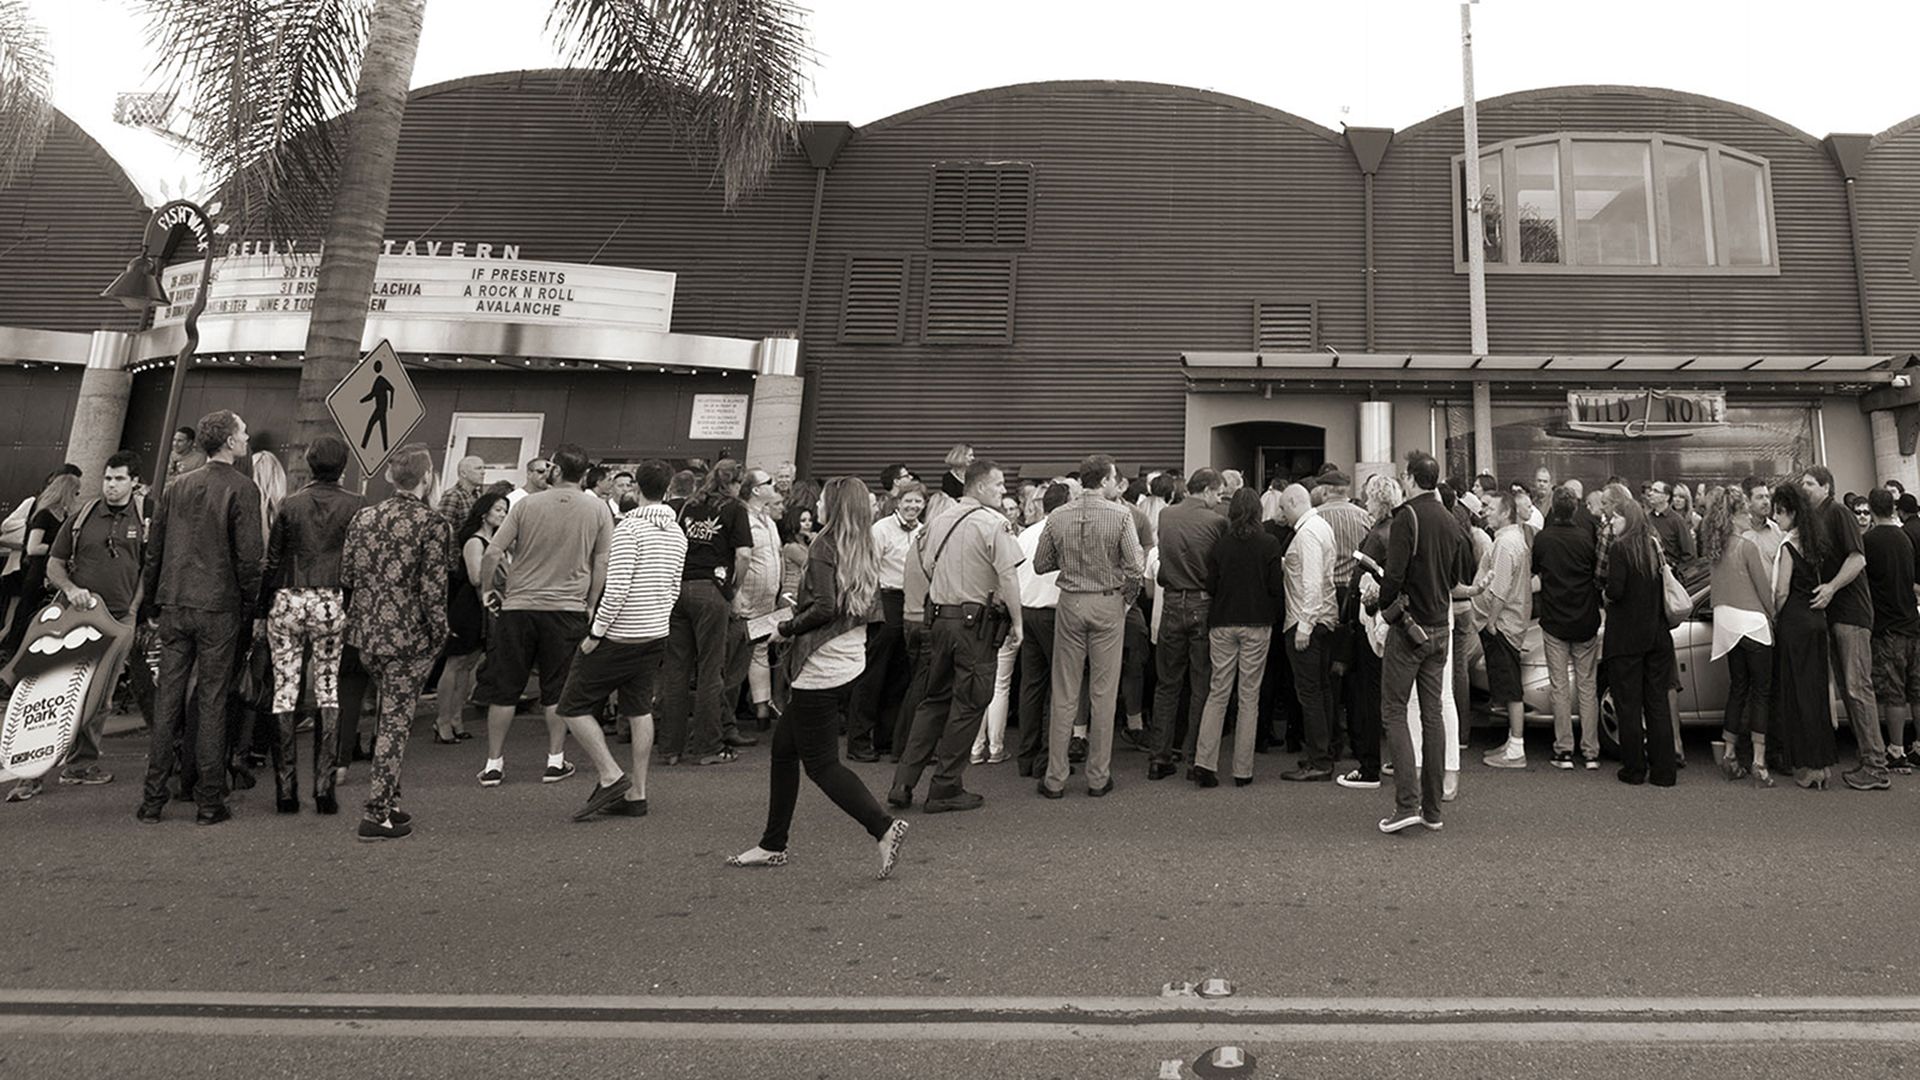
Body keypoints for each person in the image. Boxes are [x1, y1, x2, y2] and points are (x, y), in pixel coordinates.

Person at [728, 477, 911, 878]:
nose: (820, 503)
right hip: (847, 656)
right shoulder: (861, 541)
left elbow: (825, 607)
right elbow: (848, 604)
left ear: (837, 505)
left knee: (823, 765)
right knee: (783, 751)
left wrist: (787, 627)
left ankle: (883, 827)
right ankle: (772, 843)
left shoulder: (826, 543)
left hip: (821, 662)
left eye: (826, 498)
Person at [137, 409, 264, 826]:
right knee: (211, 701)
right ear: (229, 441)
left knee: (169, 700)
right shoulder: (243, 489)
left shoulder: (177, 487)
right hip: (219, 606)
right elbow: (249, 558)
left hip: (174, 602)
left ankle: (153, 798)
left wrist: (152, 604)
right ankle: (209, 800)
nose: (246, 438)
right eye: (242, 432)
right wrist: (250, 604)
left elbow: (154, 549)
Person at [3, 453, 152, 803]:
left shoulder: (144, 520)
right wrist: (71, 589)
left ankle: (81, 765)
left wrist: (132, 610)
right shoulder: (82, 516)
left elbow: (147, 570)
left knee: (101, 696)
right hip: (74, 618)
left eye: (119, 479)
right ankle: (32, 773)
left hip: (118, 620)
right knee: (51, 692)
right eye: (108, 478)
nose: (111, 485)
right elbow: (53, 565)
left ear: (135, 482)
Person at [554, 459, 685, 823]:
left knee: (573, 705)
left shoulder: (629, 529)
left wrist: (596, 633)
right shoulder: (677, 533)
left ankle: (610, 775)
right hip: (655, 631)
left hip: (620, 632)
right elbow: (674, 586)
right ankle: (637, 793)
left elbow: (617, 588)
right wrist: (658, 618)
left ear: (635, 488)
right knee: (639, 708)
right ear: (669, 489)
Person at [890, 459, 1024, 813]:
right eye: (998, 485)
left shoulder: (937, 521)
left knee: (933, 700)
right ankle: (946, 786)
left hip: (939, 620)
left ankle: (903, 783)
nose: (1003, 491)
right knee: (969, 703)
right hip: (974, 625)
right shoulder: (994, 523)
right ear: (979, 487)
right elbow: (1008, 576)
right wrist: (1017, 621)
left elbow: (925, 563)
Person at [475, 445, 612, 786]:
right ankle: (555, 759)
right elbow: (602, 561)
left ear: (556, 471)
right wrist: (592, 602)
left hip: (519, 605)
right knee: (557, 689)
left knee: (505, 687)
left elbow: (493, 552)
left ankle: (493, 764)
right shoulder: (598, 509)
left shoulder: (526, 505)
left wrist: (487, 590)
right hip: (567, 608)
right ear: (584, 473)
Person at [340, 444, 451, 841]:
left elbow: (349, 574)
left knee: (389, 717)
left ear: (390, 476)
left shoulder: (364, 517)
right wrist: (439, 633)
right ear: (427, 478)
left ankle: (392, 801)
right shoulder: (433, 524)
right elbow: (433, 589)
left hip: (367, 635)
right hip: (407, 638)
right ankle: (376, 811)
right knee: (394, 724)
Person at [258, 436, 362, 814]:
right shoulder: (356, 506)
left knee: (285, 690)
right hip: (332, 600)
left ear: (309, 464)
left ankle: (286, 790)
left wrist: (260, 607)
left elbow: (272, 561)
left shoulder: (290, 504)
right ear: (342, 467)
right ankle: (324, 789)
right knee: (328, 688)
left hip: (289, 596)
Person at [1035, 455, 1141, 800]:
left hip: (1071, 600)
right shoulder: (1120, 514)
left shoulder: (1058, 515)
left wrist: (1069, 564)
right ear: (1107, 480)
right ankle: (1098, 775)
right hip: (1107, 600)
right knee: (1103, 691)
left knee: (1065, 690)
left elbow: (1040, 564)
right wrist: (1126, 599)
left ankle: (1055, 777)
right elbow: (1136, 566)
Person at [1378, 450, 1469, 835]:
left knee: (1394, 711)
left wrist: (1381, 602)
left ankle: (1406, 804)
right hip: (1440, 626)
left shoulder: (1407, 517)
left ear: (1412, 479)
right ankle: (1432, 809)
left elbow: (1394, 577)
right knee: (1432, 714)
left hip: (1409, 627)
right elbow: (1456, 577)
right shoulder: (1450, 519)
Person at [656, 460, 756, 766]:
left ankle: (670, 748)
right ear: (735, 483)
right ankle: (707, 747)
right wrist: (734, 589)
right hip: (712, 590)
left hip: (679, 588)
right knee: (711, 670)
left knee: (675, 670)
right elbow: (743, 554)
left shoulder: (687, 505)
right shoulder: (735, 508)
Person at [1800, 466, 1890, 790]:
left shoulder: (1838, 513)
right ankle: (1868, 760)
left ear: (1826, 486)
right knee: (1849, 692)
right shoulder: (1816, 519)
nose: (1804, 488)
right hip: (1836, 615)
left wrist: (1831, 588)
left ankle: (1877, 767)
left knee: (1857, 689)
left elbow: (1857, 559)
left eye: (1809, 484)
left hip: (1852, 615)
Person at [1190, 488, 1283, 787]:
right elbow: (1275, 588)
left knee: (1218, 691)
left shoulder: (1221, 545)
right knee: (1248, 696)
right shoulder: (1269, 543)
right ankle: (1242, 770)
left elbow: (1211, 585)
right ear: (1258, 512)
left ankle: (1205, 763)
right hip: (1256, 622)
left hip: (1222, 622)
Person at [1148, 469, 1225, 780]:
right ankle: (1195, 757)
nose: (1219, 500)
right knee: (1201, 683)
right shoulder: (1216, 522)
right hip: (1202, 601)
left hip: (1172, 601)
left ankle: (1159, 756)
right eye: (1218, 494)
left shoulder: (1166, 515)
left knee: (1167, 683)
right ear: (1206, 490)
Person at [1601, 501, 1678, 787]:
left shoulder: (1620, 549)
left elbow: (1615, 591)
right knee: (1657, 703)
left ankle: (1634, 769)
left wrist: (1606, 595)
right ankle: (1664, 771)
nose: (1612, 523)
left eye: (1616, 518)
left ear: (1628, 520)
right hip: (1657, 636)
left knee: (1629, 705)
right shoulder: (1654, 546)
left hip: (1626, 639)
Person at [1768, 482, 1838, 788]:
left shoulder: (1787, 546)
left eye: (1780, 513)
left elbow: (1781, 591)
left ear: (1791, 512)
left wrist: (1774, 614)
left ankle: (1808, 767)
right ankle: (1823, 766)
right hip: (1816, 619)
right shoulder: (1814, 542)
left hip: (1794, 621)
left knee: (1797, 694)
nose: (1777, 518)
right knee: (1817, 693)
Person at [848, 483, 925, 761]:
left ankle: (887, 737)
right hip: (884, 598)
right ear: (897, 502)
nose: (913, 506)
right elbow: (867, 567)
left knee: (899, 674)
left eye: (918, 502)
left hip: (911, 601)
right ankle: (858, 741)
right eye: (908, 501)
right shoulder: (880, 529)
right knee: (873, 672)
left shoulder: (922, 531)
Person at [1532, 486, 1602, 771]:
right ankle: (1591, 750)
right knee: (1587, 687)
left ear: (1553, 509)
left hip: (1554, 619)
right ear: (1575, 509)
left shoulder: (1543, 539)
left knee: (1559, 687)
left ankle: (1563, 749)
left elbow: (1537, 570)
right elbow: (1596, 572)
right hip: (1585, 618)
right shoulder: (1587, 538)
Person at [1278, 484, 1338, 782]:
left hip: (1308, 623)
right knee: (1322, 690)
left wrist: (1304, 625)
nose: (1281, 514)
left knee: (1310, 694)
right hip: (1322, 620)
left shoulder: (1308, 533)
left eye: (1283, 507)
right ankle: (1323, 753)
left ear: (1294, 502)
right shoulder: (1319, 527)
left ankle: (1320, 760)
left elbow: (1312, 582)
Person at [438, 492, 506, 743]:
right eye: (498, 510)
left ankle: (457, 717)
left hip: (486, 607)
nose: (502, 514)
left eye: (504, 510)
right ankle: (443, 720)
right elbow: (476, 577)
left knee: (469, 665)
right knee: (456, 663)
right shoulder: (475, 542)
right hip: (469, 606)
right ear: (484, 513)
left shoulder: (496, 541)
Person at [1013, 482, 1070, 777]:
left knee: (1031, 686)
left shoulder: (1026, 534)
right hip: (1053, 614)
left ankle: (1026, 754)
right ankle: (1047, 757)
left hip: (1027, 612)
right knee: (1058, 687)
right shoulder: (1062, 533)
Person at [1476, 492, 1534, 770]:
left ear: (1505, 513)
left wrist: (1490, 622)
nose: (1485, 511)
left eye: (1490, 508)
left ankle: (1517, 749)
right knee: (1509, 686)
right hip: (1511, 621)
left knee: (1511, 689)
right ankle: (1513, 742)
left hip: (1503, 624)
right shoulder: (1513, 539)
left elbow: (1499, 589)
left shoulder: (1505, 544)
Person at [1864, 488, 1920, 773]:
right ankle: (1919, 748)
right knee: (1917, 689)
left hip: (1887, 627)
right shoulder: (1905, 538)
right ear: (1894, 509)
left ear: (1872, 509)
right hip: (1912, 621)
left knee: (1894, 691)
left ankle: (1896, 750)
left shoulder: (1869, 541)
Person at [725, 467, 785, 735]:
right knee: (736, 657)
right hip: (745, 599)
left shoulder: (769, 521)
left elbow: (776, 557)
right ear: (757, 490)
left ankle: (762, 708)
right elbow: (736, 557)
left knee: (759, 650)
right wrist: (735, 593)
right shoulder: (742, 519)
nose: (775, 485)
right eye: (769, 482)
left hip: (766, 600)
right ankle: (726, 720)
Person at [0, 472, 80, 663]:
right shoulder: (44, 515)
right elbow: (33, 547)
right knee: (24, 615)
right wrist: (58, 548)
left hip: (50, 572)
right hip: (37, 573)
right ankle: (11, 656)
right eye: (76, 493)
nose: (78, 497)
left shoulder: (64, 516)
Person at [1645, 480, 1695, 565]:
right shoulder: (1646, 519)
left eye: (1656, 491)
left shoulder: (1677, 520)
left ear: (1666, 497)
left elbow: (1688, 553)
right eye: (1651, 490)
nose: (1650, 494)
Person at [1741, 477, 1784, 564]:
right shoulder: (1739, 533)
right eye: (1760, 497)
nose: (1766, 502)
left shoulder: (1779, 532)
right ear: (1747, 501)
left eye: (1767, 497)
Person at [779, 502, 817, 602]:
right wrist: (817, 542)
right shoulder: (792, 547)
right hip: (791, 594)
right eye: (803, 521)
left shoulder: (805, 544)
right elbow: (815, 564)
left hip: (802, 593)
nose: (808, 524)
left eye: (810, 520)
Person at [439, 455, 485, 527]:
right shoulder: (452, 495)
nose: (483, 472)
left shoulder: (478, 496)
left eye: (483, 468)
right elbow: (443, 529)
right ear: (463, 473)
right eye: (478, 468)